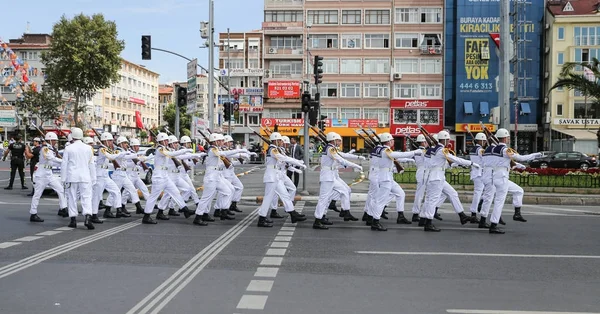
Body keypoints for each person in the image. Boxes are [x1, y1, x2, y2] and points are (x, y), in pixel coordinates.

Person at [484, 128, 541, 234]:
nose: (508, 139)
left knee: (519, 190)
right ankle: (493, 225)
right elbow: (521, 157)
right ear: (505, 138)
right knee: (499, 202)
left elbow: (504, 163)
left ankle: (517, 213)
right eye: (508, 137)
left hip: (495, 176)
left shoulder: (492, 150)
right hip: (502, 178)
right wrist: (536, 155)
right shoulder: (505, 150)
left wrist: (517, 166)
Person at [313, 132, 363, 230]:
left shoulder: (332, 148)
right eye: (339, 140)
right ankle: (317, 220)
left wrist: (355, 158)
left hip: (331, 177)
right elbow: (341, 160)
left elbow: (341, 157)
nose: (340, 142)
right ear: (334, 140)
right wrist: (356, 165)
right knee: (323, 199)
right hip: (327, 178)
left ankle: (345, 211)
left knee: (345, 190)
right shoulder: (330, 149)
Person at [28, 132, 68, 222]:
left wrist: (63, 162)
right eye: (54, 140)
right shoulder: (45, 149)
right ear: (50, 140)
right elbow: (51, 159)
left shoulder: (51, 149)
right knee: (37, 195)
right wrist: (64, 161)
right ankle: (33, 214)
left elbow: (53, 162)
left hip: (49, 173)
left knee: (60, 189)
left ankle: (63, 209)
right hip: (42, 174)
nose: (55, 142)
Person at [61, 128, 96, 230]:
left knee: (72, 197)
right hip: (85, 176)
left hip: (72, 176)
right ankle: (88, 218)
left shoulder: (68, 148)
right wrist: (93, 178)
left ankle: (73, 220)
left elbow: (64, 164)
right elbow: (91, 164)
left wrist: (63, 179)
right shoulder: (88, 148)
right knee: (87, 197)